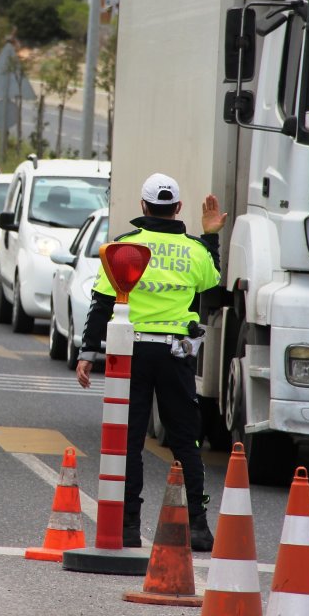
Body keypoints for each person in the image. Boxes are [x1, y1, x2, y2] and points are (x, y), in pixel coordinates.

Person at [76, 172, 225, 552]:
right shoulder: (194, 250)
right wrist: (210, 235)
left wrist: (88, 352)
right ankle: (198, 527)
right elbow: (212, 281)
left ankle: (127, 526)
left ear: (143, 207)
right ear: (177, 208)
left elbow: (102, 303)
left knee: (129, 440)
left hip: (131, 353)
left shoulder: (124, 247)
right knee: (185, 441)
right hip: (176, 353)